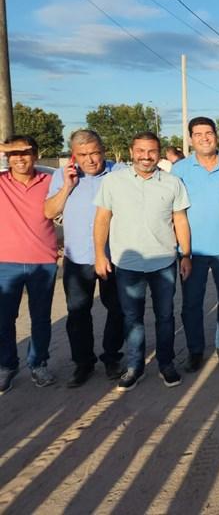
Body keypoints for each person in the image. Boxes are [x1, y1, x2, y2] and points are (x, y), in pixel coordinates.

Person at [94, 132, 191, 392]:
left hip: (164, 262)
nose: (146, 157)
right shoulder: (113, 182)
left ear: (158, 153)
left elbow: (180, 219)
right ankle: (135, 366)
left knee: (165, 316)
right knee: (132, 318)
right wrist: (99, 255)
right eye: (141, 151)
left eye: (151, 151)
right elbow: (102, 219)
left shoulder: (172, 182)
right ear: (131, 151)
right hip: (128, 265)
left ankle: (166, 364)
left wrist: (186, 254)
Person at [44, 130, 126, 388]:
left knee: (118, 310)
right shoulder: (62, 175)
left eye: (95, 153)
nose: (90, 160)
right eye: (83, 155)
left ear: (104, 151)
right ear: (74, 156)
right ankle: (83, 363)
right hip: (77, 258)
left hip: (115, 256)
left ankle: (112, 357)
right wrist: (67, 187)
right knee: (78, 313)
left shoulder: (120, 172)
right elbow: (49, 211)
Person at [171, 117, 219, 372]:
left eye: (209, 133)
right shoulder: (180, 170)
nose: (204, 138)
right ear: (191, 138)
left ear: (217, 136)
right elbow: (173, 212)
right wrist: (182, 251)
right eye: (198, 133)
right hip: (193, 251)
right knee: (192, 303)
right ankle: (195, 350)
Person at [0, 136, 59, 394]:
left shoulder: (50, 181)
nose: (20, 158)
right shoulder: (1, 182)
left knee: (40, 318)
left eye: (25, 152)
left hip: (42, 261)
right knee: (4, 319)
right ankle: (6, 366)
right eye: (13, 154)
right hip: (5, 262)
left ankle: (38, 363)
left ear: (36, 154)